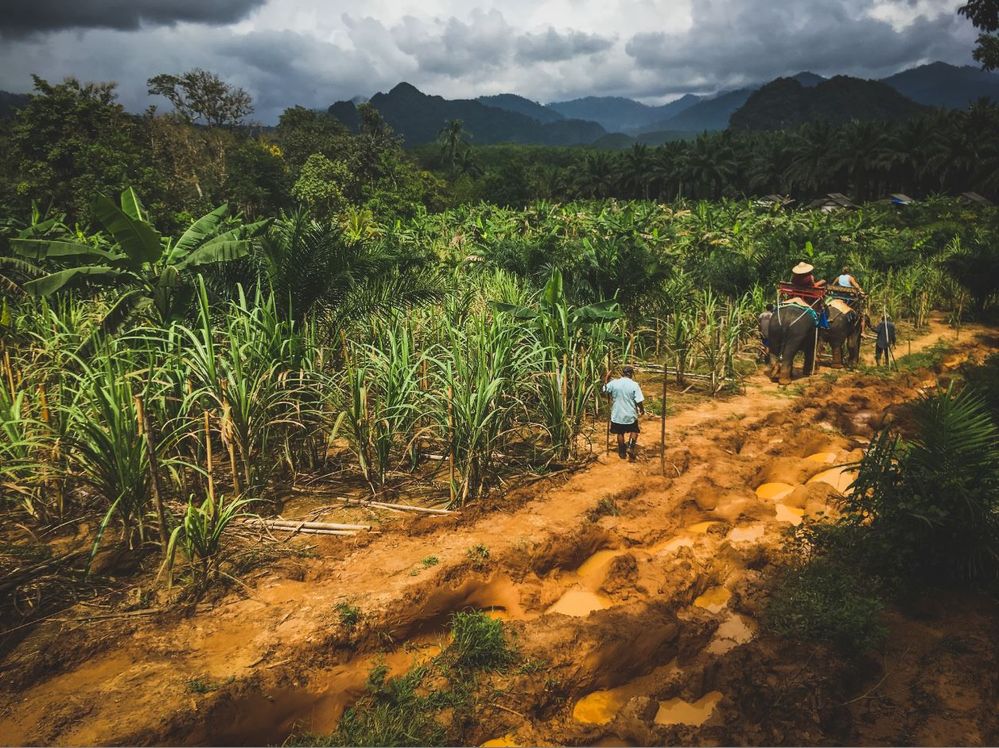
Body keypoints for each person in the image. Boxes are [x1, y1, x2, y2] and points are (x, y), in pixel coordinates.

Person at [602, 365, 645, 461]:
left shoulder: (614, 383)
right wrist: (641, 409)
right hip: (630, 414)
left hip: (617, 414)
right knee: (634, 431)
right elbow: (638, 400)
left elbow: (605, 389)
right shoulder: (634, 385)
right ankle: (630, 446)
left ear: (623, 373)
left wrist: (607, 378)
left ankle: (622, 452)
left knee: (620, 432)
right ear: (631, 374)